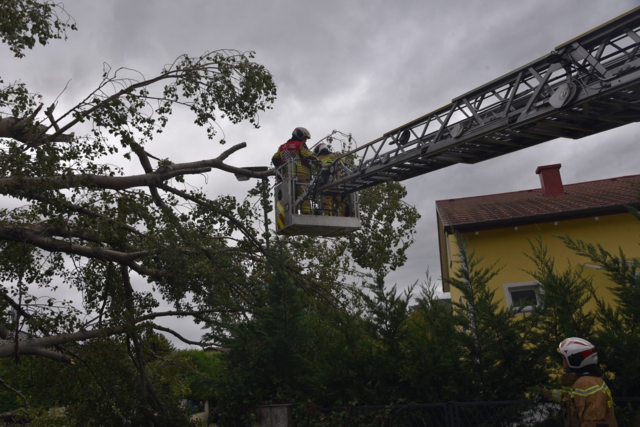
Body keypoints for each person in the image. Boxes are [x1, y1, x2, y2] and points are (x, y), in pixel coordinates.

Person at [537, 337, 617, 427]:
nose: (562, 360)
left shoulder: (587, 384)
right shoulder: (582, 381)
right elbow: (570, 398)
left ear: (575, 359)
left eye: (564, 357)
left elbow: (593, 423)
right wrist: (547, 395)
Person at [272, 127, 318, 214]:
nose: (305, 141)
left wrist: (279, 169)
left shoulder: (282, 147)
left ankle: (292, 216)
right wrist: (318, 161)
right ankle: (306, 216)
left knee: (291, 199)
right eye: (304, 138)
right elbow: (310, 156)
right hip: (302, 177)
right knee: (305, 197)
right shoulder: (299, 145)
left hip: (287, 178)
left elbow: (274, 159)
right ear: (300, 136)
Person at [313, 142, 342, 216]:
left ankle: (329, 218)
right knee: (341, 203)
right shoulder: (334, 156)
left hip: (327, 186)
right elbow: (343, 162)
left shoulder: (318, 158)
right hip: (339, 185)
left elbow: (313, 169)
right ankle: (342, 216)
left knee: (327, 204)